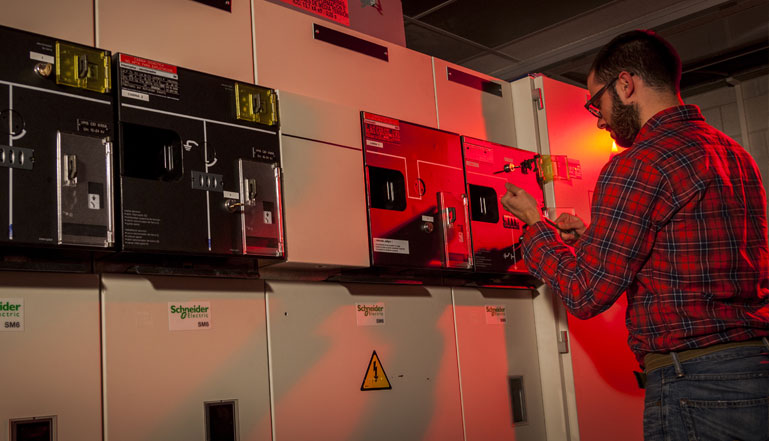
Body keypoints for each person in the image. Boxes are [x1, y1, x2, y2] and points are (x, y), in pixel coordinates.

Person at [501, 30, 769, 440]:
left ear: (625, 85)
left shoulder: (639, 163)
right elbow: (687, 252)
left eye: (597, 102)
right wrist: (592, 237)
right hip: (756, 371)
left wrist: (534, 225)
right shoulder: (734, 154)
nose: (600, 118)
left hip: (695, 382)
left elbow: (585, 293)